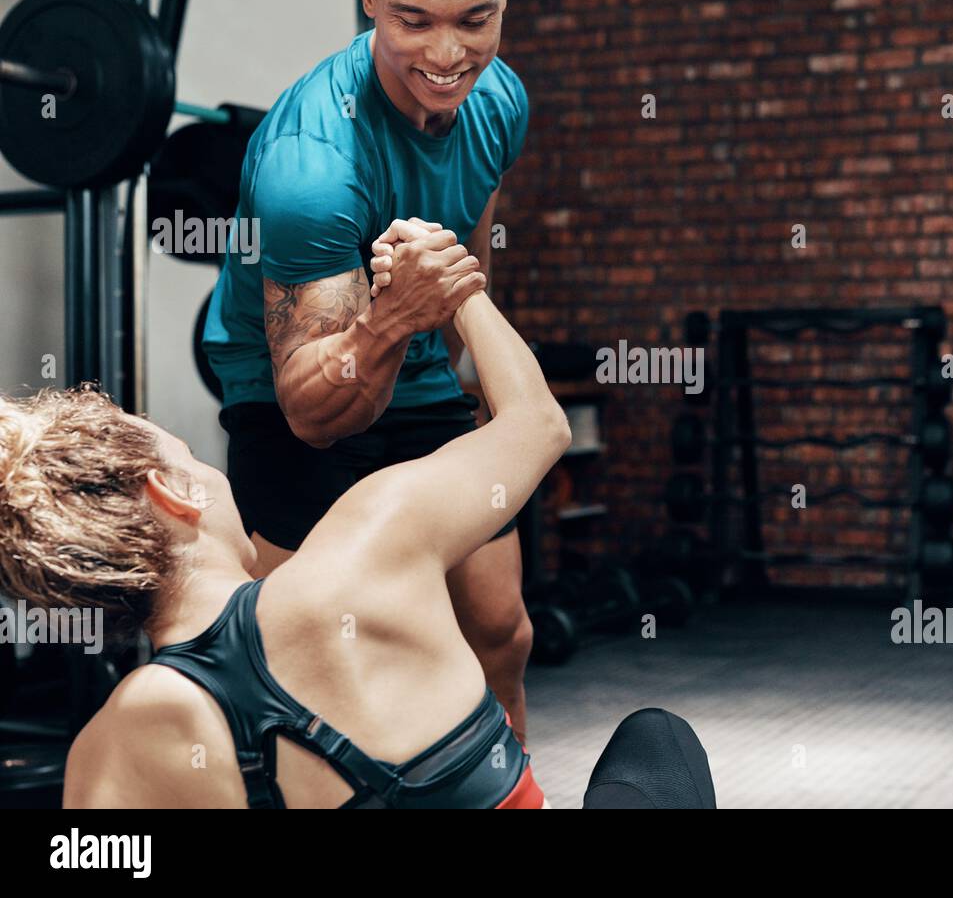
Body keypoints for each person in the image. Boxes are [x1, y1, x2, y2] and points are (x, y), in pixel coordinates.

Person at [0, 223, 565, 808]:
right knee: (651, 737)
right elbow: (538, 424)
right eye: (192, 457)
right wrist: (456, 288)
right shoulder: (370, 541)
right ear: (173, 492)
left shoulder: (108, 748)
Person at [201, 0, 535, 743]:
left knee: (499, 630)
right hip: (295, 395)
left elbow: (469, 234)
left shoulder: (498, 101)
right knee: (295, 667)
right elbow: (315, 410)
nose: (449, 53)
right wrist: (395, 316)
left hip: (418, 371)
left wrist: (454, 368)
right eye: (415, 21)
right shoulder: (310, 162)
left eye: (474, 18)